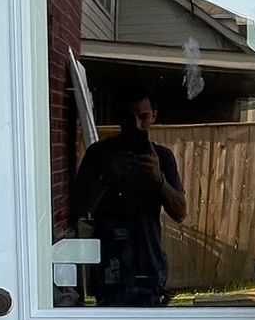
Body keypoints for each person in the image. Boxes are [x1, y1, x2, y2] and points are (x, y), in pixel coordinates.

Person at [69, 88, 186, 306]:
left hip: (148, 266)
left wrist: (159, 180)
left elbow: (180, 213)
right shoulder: (98, 154)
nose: (136, 125)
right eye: (129, 117)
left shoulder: (161, 157)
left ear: (154, 116)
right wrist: (107, 179)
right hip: (109, 268)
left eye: (143, 117)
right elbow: (78, 210)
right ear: (119, 118)